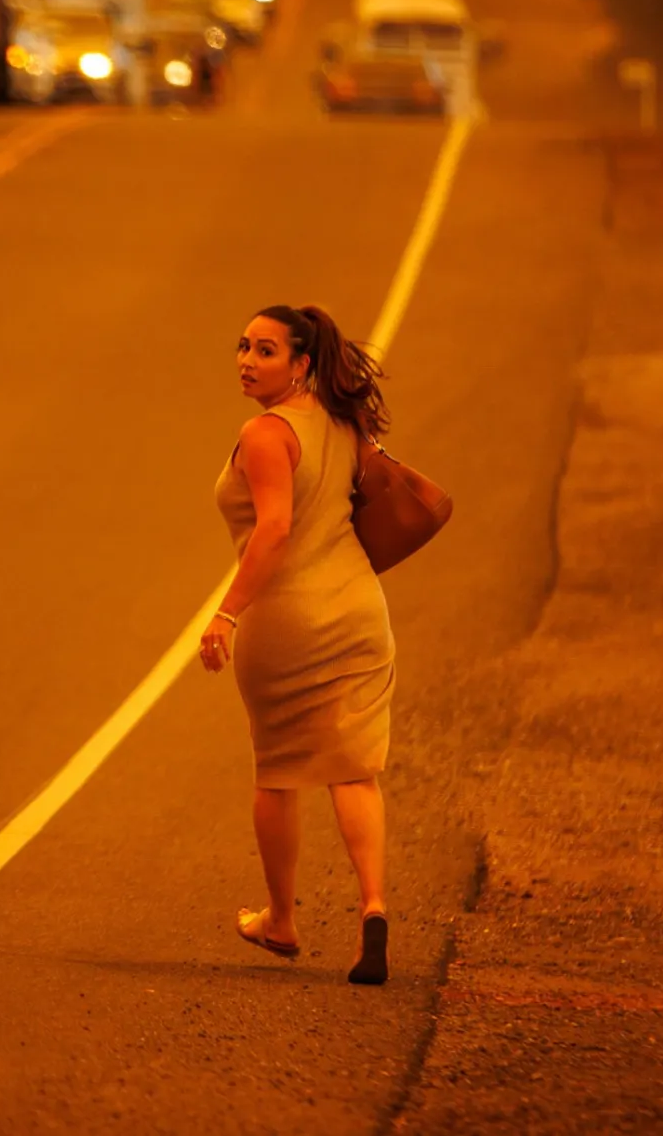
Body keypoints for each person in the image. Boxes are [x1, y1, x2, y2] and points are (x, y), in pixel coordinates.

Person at [201, 303, 396, 986]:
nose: (247, 361)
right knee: (354, 766)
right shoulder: (346, 422)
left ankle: (281, 919)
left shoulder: (265, 433)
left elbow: (274, 528)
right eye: (243, 346)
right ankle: (373, 904)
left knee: (279, 768)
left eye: (266, 351)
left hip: (289, 618)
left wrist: (226, 613)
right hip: (359, 609)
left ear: (302, 363)